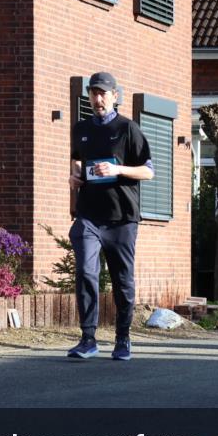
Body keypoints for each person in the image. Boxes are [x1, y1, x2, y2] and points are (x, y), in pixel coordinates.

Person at [67, 72, 154, 360]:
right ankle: (88, 338)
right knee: (86, 272)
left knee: (123, 280)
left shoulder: (128, 128)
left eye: (103, 93)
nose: (98, 98)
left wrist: (117, 170)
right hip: (90, 215)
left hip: (121, 218)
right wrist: (75, 180)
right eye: (94, 92)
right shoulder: (81, 128)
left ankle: (123, 337)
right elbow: (77, 159)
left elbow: (148, 171)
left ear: (115, 95)